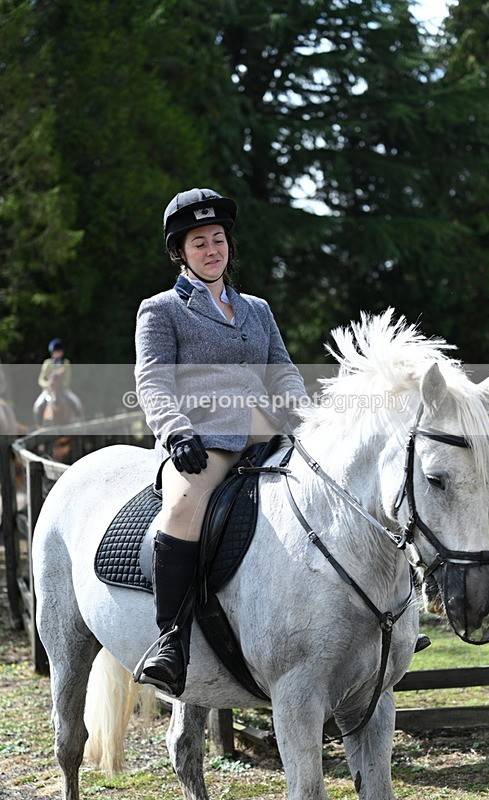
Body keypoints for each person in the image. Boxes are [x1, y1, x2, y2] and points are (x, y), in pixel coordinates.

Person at [134, 187, 309, 696]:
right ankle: (170, 642)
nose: (212, 250)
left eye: (218, 240)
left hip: (267, 432)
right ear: (180, 253)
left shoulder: (256, 308)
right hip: (205, 439)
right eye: (199, 244)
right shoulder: (161, 310)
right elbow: (152, 382)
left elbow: (283, 371)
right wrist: (174, 431)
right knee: (185, 507)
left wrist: (302, 413)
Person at [34, 339, 83, 422]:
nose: (58, 353)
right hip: (48, 391)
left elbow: (67, 379)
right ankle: (39, 425)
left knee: (76, 402)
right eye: (56, 351)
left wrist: (60, 385)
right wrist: (48, 385)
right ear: (52, 352)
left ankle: (79, 421)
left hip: (63, 390)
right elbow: (41, 379)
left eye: (59, 351)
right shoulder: (47, 363)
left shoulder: (66, 363)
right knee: (37, 406)